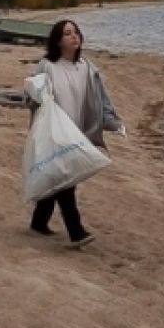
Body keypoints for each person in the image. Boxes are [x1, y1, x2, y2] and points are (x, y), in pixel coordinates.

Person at [27, 19, 124, 248]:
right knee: (64, 179)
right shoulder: (47, 66)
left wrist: (113, 122)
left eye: (76, 32)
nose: (74, 36)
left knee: (58, 176)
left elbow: (101, 99)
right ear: (58, 40)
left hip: (76, 132)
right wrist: (36, 96)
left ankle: (39, 221)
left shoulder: (86, 67)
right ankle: (76, 231)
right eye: (68, 33)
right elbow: (31, 96)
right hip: (54, 132)